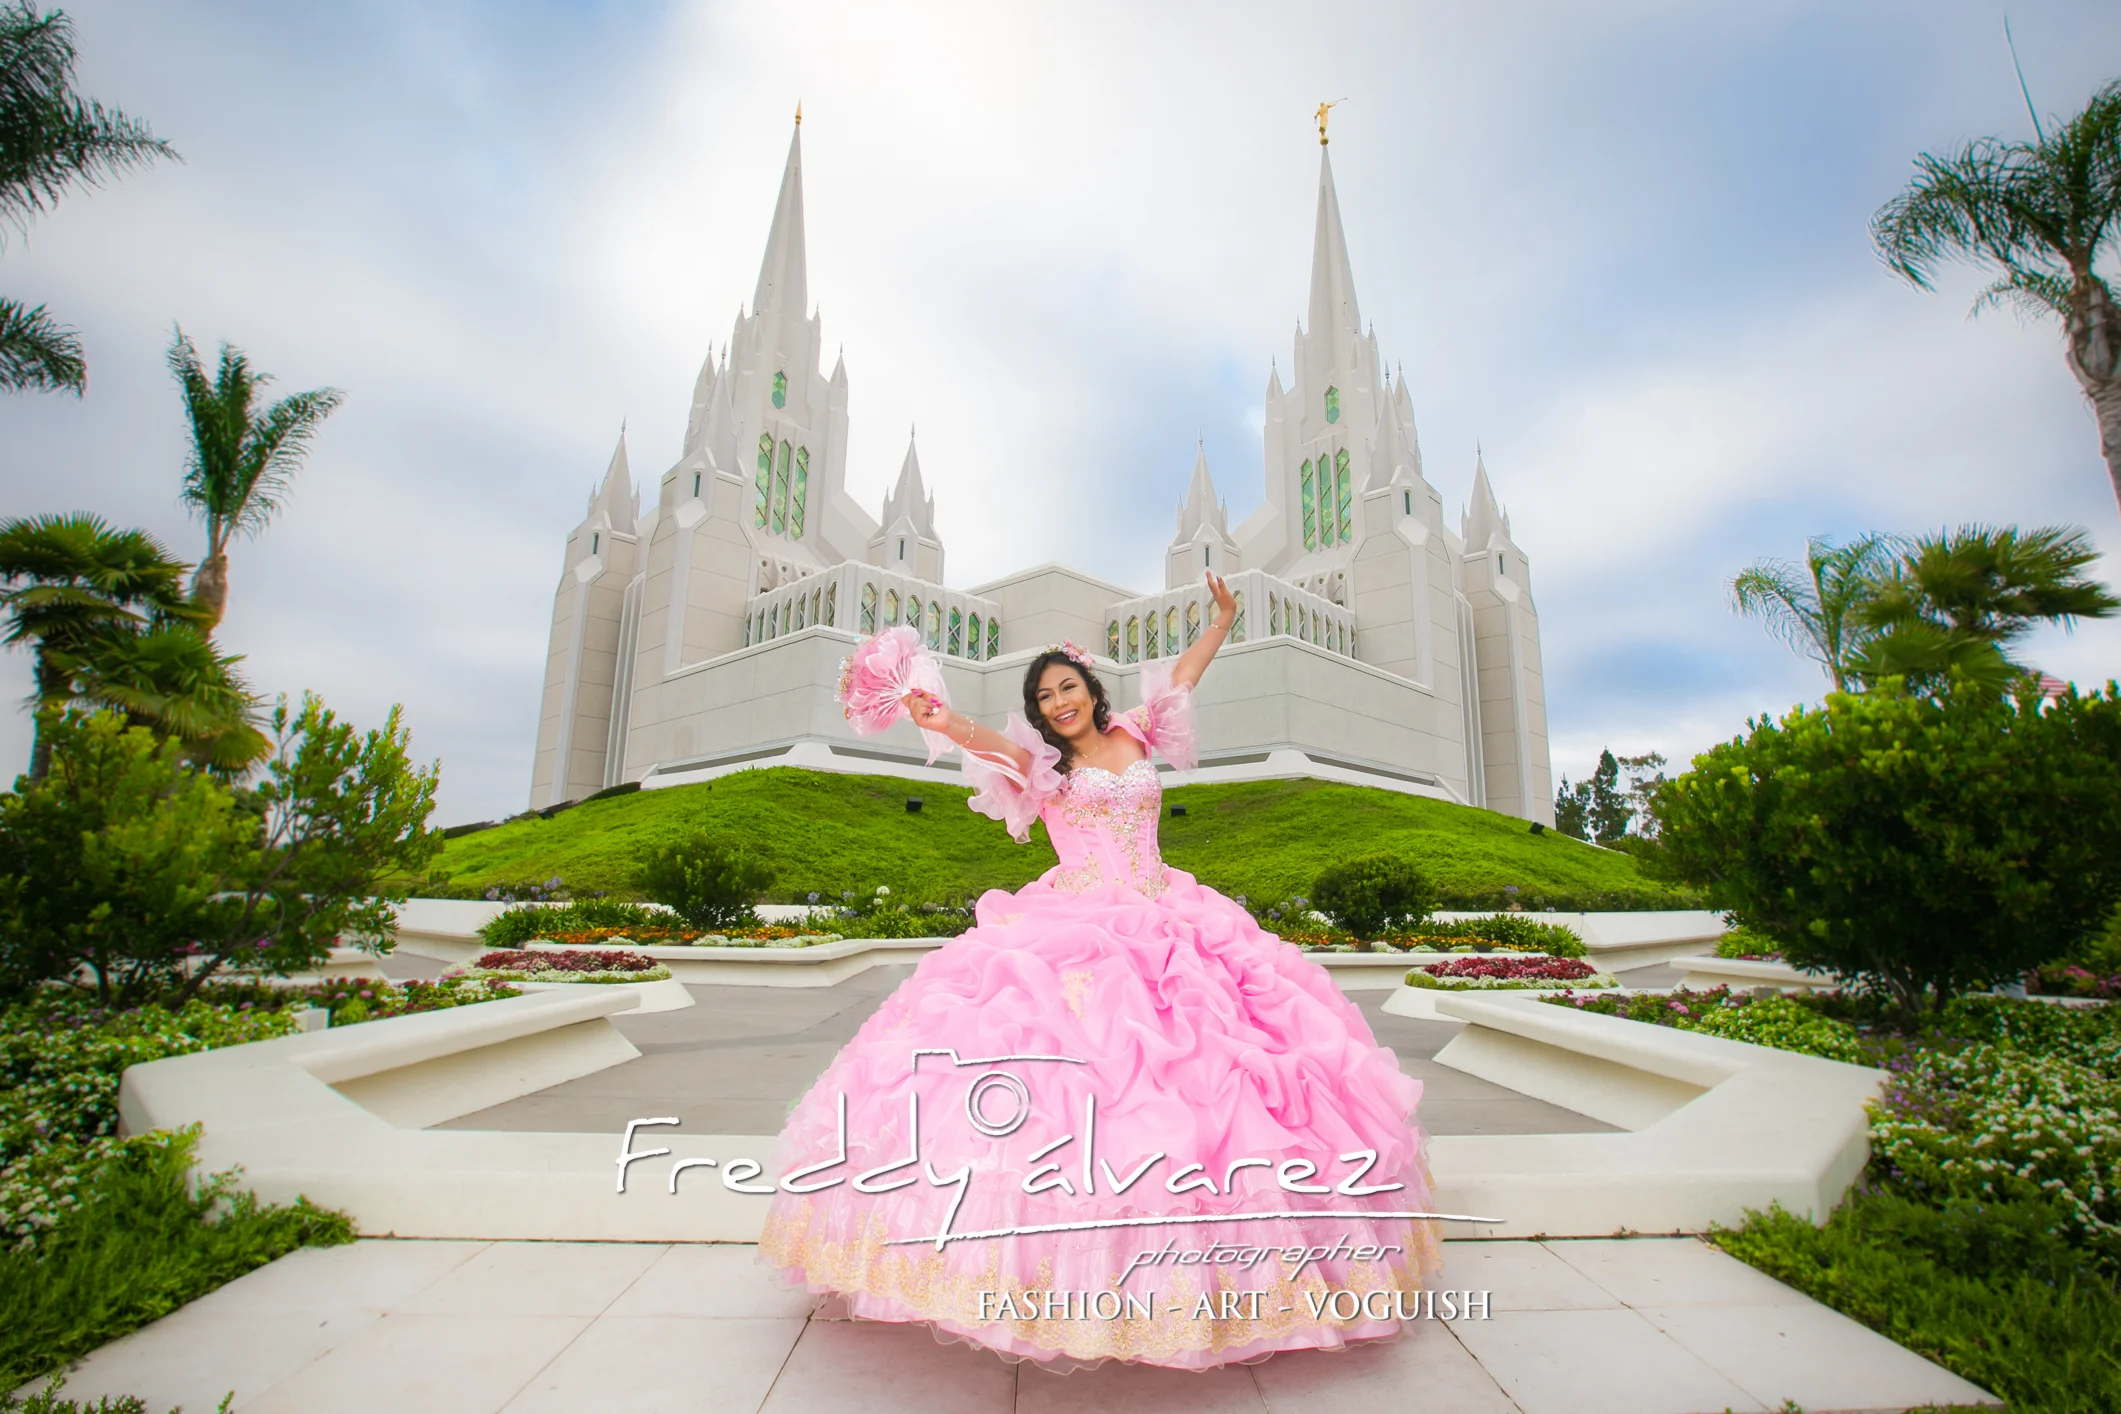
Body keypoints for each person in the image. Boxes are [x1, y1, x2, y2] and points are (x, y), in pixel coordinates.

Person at [758, 571, 1440, 1370]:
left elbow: (1183, 675)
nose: (1057, 702)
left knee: (1226, 1081)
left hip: (1170, 919)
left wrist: (1221, 621)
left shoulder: (1140, 736)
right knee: (1080, 1087)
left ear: (1089, 688)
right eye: (1044, 695)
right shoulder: (1042, 768)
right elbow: (981, 740)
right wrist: (936, 716)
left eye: (1067, 686)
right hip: (1073, 932)